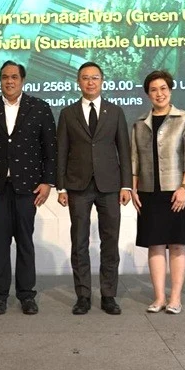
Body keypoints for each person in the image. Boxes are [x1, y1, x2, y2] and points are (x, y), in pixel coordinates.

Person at [0, 61, 57, 315]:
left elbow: (51, 149)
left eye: (14, 77)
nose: (9, 81)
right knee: (0, 242)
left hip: (29, 188)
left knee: (25, 242)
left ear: (22, 80)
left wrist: (47, 182)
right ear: (0, 80)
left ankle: (27, 295)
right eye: (5, 77)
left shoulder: (39, 108)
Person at [56, 62, 132, 315]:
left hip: (110, 186)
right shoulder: (68, 113)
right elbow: (61, 151)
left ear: (102, 81)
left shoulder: (115, 112)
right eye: (85, 78)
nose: (90, 82)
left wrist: (126, 185)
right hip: (77, 185)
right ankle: (83, 296)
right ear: (78, 82)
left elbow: (124, 150)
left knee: (110, 240)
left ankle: (109, 295)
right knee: (79, 241)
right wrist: (61, 187)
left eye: (95, 78)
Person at [130, 70, 185, 315]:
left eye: (163, 88)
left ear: (170, 90)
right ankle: (159, 297)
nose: (159, 93)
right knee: (155, 244)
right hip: (149, 193)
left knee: (178, 244)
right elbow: (134, 160)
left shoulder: (184, 118)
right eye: (153, 90)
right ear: (147, 94)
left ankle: (175, 298)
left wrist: (184, 188)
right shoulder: (139, 123)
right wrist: (134, 189)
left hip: (177, 192)